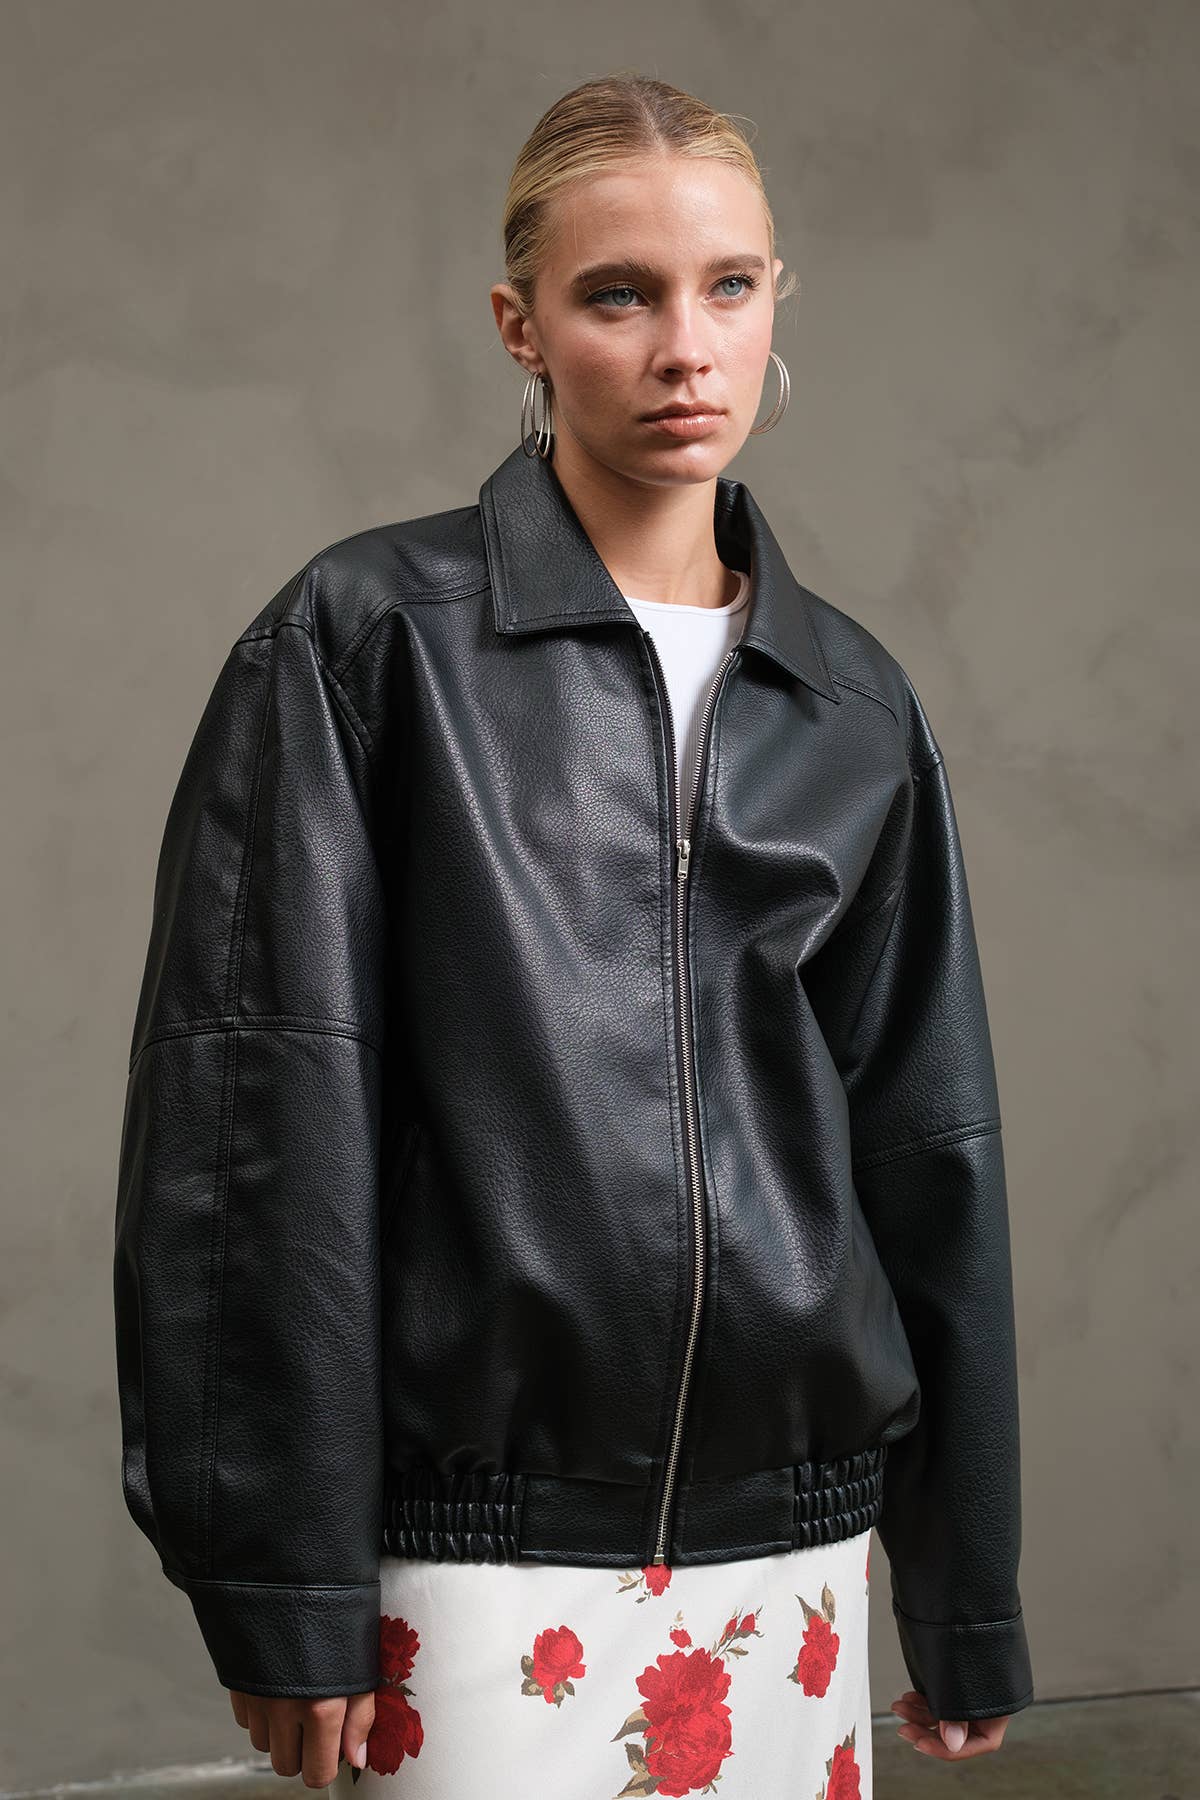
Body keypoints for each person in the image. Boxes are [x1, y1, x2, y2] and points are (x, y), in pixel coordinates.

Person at [112, 72, 1033, 1799]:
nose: (687, 348)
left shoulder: (852, 705)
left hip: (788, 1552)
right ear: (519, 325)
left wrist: (962, 1583)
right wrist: (282, 1577)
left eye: (728, 287)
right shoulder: (368, 645)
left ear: (775, 304)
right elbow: (252, 1114)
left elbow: (931, 1144)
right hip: (472, 1556)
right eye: (620, 294)